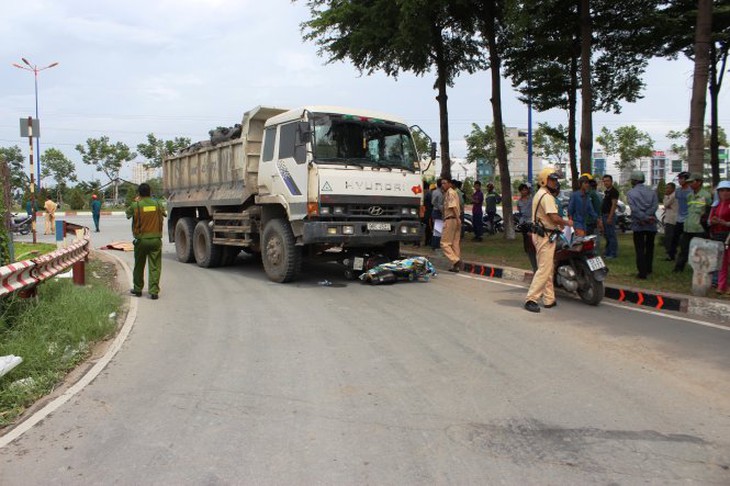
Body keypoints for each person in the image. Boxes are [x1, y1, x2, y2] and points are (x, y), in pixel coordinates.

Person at [524, 167, 573, 313]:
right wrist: (567, 223)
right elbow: (554, 217)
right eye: (552, 179)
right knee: (544, 269)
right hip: (544, 235)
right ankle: (531, 299)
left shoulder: (541, 194)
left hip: (544, 234)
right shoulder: (546, 197)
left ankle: (549, 298)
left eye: (556, 180)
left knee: (548, 268)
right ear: (544, 180)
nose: (555, 182)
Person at [126, 183, 167, 299]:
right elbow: (164, 214)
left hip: (141, 240)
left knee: (139, 265)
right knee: (155, 266)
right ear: (150, 192)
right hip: (155, 240)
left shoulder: (136, 205)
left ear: (139, 193)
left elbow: (127, 214)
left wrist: (136, 201)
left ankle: (138, 289)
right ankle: (154, 291)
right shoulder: (158, 204)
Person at [674, 173, 712, 273]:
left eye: (692, 182)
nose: (690, 184)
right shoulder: (690, 195)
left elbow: (709, 211)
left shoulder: (706, 195)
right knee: (684, 248)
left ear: (699, 182)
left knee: (700, 250)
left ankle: (700, 270)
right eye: (689, 182)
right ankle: (678, 268)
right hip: (688, 226)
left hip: (699, 228)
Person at [626, 170, 659, 279]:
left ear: (634, 181)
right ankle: (649, 269)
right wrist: (648, 217)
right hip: (651, 223)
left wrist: (643, 218)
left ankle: (642, 272)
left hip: (638, 224)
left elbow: (634, 209)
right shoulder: (652, 192)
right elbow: (655, 206)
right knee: (650, 247)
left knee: (639, 248)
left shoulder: (631, 193)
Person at [708, 180, 730, 293]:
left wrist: (724, 223)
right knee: (721, 261)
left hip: (728, 236)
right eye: (722, 190)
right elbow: (709, 221)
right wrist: (713, 221)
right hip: (718, 236)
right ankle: (721, 286)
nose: (725, 193)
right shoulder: (715, 205)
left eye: (727, 190)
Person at [440, 178, 462, 272]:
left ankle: (455, 260)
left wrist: (457, 219)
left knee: (444, 243)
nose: (442, 185)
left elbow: (452, 207)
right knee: (454, 244)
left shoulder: (450, 193)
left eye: (444, 183)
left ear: (449, 184)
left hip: (451, 219)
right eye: (442, 183)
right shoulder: (452, 192)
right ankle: (455, 266)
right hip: (455, 219)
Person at [670, 172, 692, 261]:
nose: (680, 180)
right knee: (675, 237)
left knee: (687, 239)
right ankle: (671, 255)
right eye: (679, 178)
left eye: (682, 178)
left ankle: (687, 256)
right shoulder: (678, 191)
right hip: (679, 218)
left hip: (688, 218)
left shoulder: (691, 191)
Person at [516, 182, 537, 271]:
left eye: (525, 189)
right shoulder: (519, 201)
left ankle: (533, 249)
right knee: (525, 236)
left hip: (530, 220)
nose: (524, 191)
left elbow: (534, 193)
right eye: (522, 190)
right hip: (523, 221)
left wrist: (530, 187)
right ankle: (527, 250)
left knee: (532, 236)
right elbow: (520, 210)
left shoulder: (531, 199)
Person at [601, 175, 619, 259]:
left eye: (607, 181)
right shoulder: (606, 192)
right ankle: (608, 252)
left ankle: (613, 253)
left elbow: (614, 205)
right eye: (604, 181)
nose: (606, 183)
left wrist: (610, 217)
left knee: (611, 235)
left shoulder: (614, 192)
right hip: (604, 215)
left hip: (609, 215)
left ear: (611, 181)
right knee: (607, 235)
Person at [662, 182, 678, 260]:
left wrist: (665, 196)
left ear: (673, 189)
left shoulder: (672, 196)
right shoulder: (671, 196)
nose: (666, 189)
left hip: (672, 219)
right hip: (670, 218)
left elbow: (666, 204)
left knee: (669, 238)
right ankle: (671, 254)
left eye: (668, 188)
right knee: (669, 237)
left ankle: (670, 254)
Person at [431, 179, 444, 250]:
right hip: (438, 211)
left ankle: (434, 244)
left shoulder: (434, 191)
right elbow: (439, 204)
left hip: (434, 210)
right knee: (438, 229)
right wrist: (442, 211)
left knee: (436, 229)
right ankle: (436, 244)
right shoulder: (440, 193)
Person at [422, 182, 433, 247]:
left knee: (428, 228)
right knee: (428, 228)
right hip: (427, 213)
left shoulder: (427, 194)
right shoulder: (429, 193)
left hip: (427, 213)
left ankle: (427, 241)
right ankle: (427, 241)